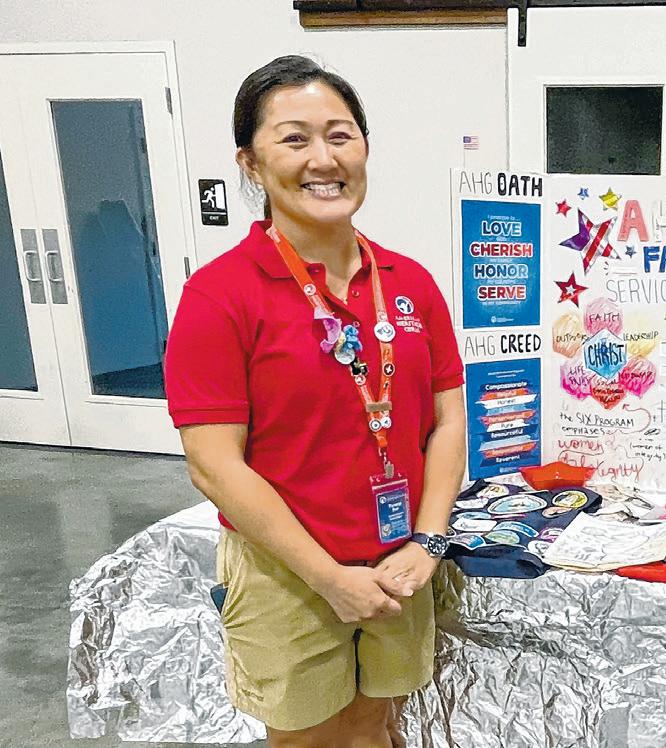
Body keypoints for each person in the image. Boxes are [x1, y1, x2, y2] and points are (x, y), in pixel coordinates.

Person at [164, 55, 466, 748]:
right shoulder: (220, 295)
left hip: (400, 561)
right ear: (250, 163)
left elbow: (448, 421)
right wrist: (329, 577)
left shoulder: (410, 283)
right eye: (294, 139)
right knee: (306, 738)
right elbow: (214, 465)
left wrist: (428, 540)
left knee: (375, 727)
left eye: (340, 135)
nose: (323, 159)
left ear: (364, 148)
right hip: (287, 574)